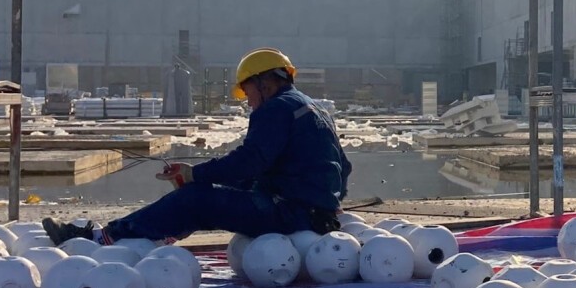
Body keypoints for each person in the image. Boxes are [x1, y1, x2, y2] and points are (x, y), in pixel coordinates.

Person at [43, 48, 352, 245]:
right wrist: (327, 204)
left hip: (291, 214)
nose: (248, 103)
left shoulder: (275, 109)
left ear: (264, 83)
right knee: (216, 192)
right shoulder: (313, 108)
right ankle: (163, 230)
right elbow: (343, 167)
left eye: (247, 94)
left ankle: (101, 238)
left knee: (195, 199)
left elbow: (249, 161)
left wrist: (195, 175)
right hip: (315, 214)